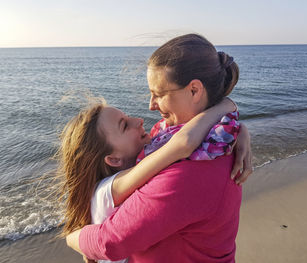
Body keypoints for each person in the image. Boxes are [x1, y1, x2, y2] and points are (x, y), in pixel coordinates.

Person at [66, 33, 253, 262]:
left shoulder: (190, 172)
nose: (150, 106)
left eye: (158, 95)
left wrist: (70, 237)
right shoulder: (208, 138)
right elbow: (181, 139)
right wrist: (231, 115)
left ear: (194, 90)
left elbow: (110, 242)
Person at [58, 97, 239, 263]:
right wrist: (226, 107)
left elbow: (174, 129)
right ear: (113, 160)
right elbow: (181, 144)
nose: (138, 120)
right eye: (124, 125)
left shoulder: (148, 150)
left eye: (128, 117)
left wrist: (240, 133)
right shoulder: (107, 189)